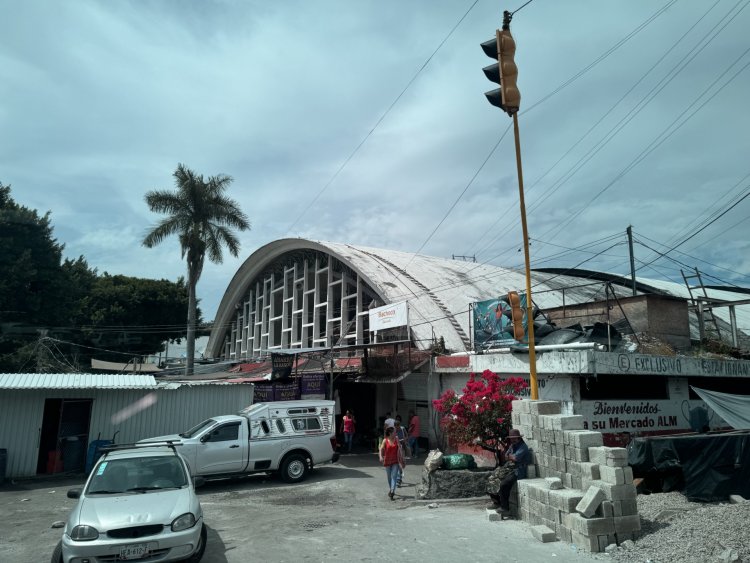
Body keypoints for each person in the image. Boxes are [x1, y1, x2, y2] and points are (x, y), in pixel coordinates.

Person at [485, 429, 529, 518]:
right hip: (508, 468)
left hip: (518, 470)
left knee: (504, 484)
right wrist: (509, 457)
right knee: (491, 479)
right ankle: (496, 502)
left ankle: (505, 508)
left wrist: (509, 457)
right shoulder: (512, 446)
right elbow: (506, 457)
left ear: (518, 438)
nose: (513, 440)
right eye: (511, 438)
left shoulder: (523, 447)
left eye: (514, 438)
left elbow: (515, 458)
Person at [378, 426, 405, 500]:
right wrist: (380, 456)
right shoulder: (385, 440)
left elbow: (400, 449)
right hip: (387, 461)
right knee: (389, 477)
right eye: (394, 432)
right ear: (390, 433)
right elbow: (381, 449)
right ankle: (391, 489)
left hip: (395, 461)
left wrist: (402, 458)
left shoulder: (396, 439)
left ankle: (392, 490)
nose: (396, 433)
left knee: (394, 476)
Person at [394, 420, 409, 484]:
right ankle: (398, 478)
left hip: (402, 448)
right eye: (395, 427)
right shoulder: (393, 430)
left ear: (399, 425)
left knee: (401, 463)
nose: (397, 428)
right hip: (395, 448)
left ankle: (399, 477)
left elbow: (407, 436)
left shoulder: (403, 429)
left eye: (397, 427)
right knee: (397, 463)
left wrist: (403, 440)